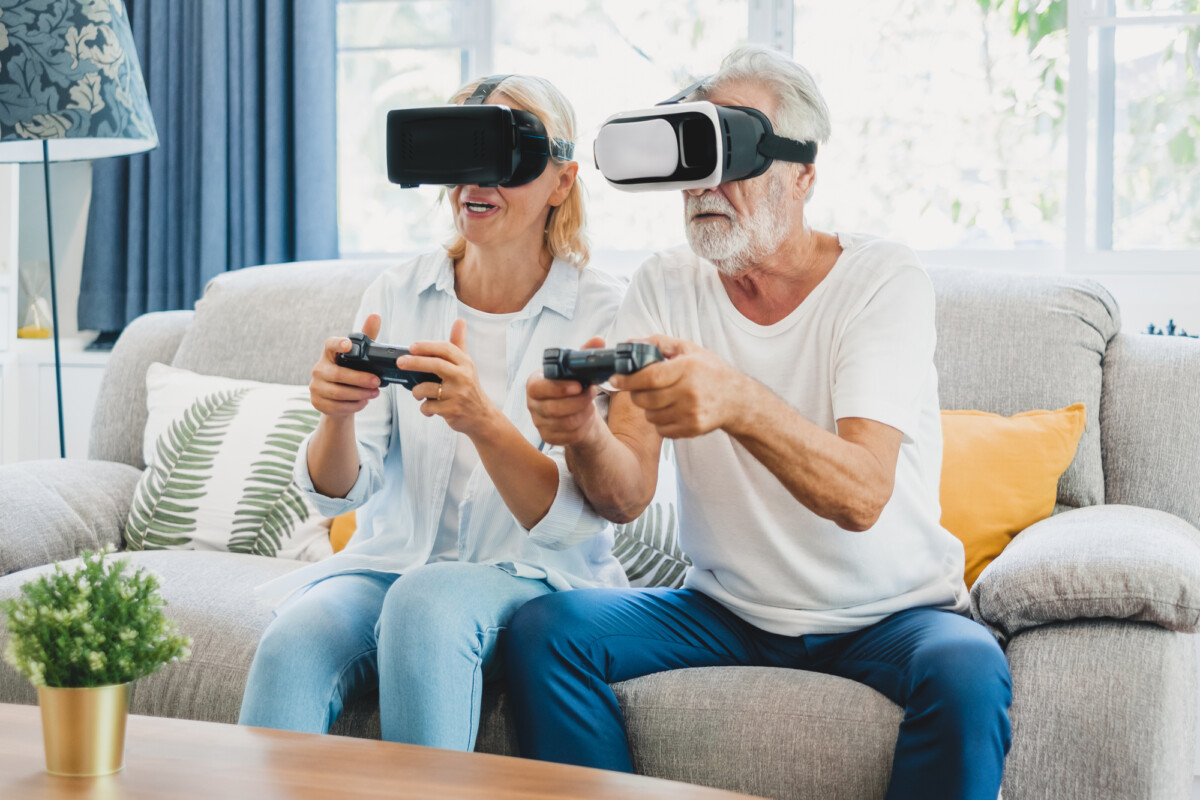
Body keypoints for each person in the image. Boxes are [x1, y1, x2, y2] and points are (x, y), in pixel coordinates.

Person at [510, 46, 1012, 800]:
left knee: (969, 671)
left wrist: (738, 402)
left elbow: (862, 495)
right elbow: (626, 496)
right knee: (546, 633)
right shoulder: (665, 283)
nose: (705, 186)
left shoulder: (879, 280)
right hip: (725, 610)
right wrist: (583, 431)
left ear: (803, 174)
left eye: (733, 155)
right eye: (694, 158)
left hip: (890, 616)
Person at [238, 74, 628, 751]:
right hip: (392, 564)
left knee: (425, 605)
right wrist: (336, 416)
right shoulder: (399, 291)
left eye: (503, 157)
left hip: (534, 579)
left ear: (561, 181)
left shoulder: (604, 313)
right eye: (461, 153)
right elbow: (338, 495)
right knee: (292, 641)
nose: (476, 181)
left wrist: (482, 420)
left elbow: (574, 522)